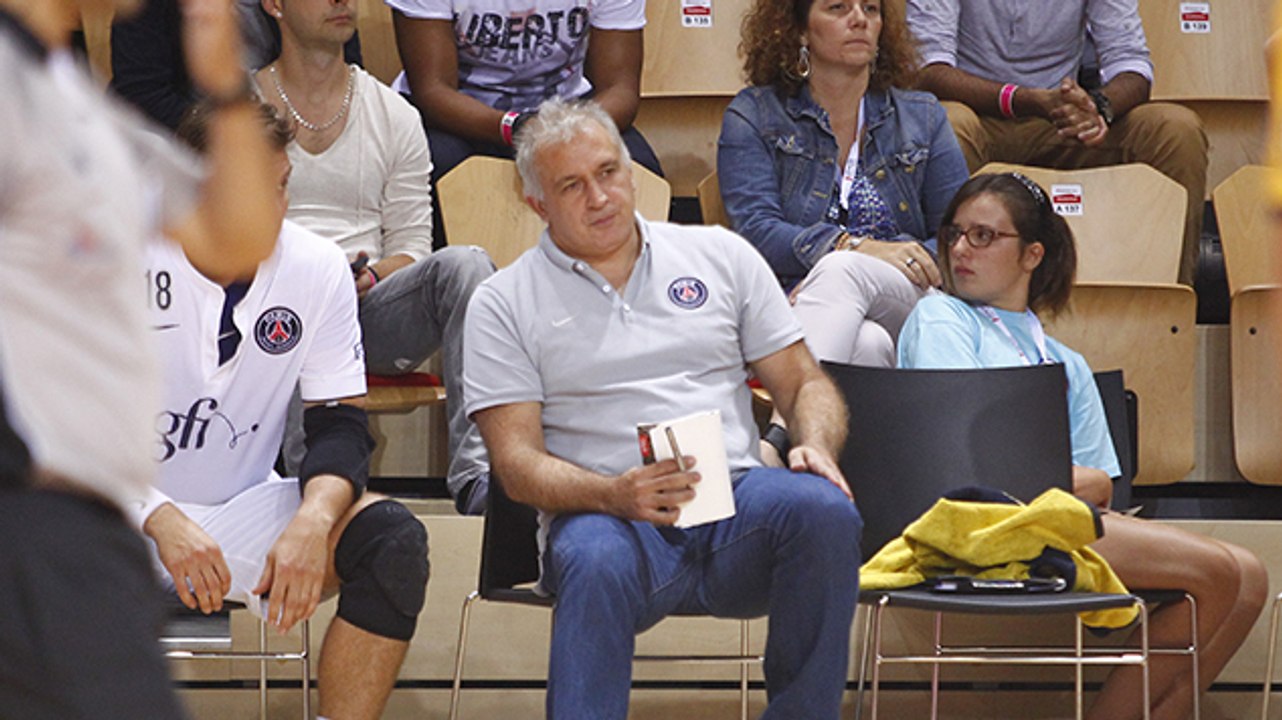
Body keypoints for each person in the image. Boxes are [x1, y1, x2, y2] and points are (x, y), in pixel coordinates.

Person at [462, 97, 862, 719]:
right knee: (591, 557)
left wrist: (813, 441)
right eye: (572, 186)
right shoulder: (503, 302)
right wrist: (613, 495)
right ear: (537, 203)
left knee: (824, 510)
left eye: (608, 172)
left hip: (734, 501)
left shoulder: (719, 256)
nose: (600, 197)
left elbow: (805, 381)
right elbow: (514, 463)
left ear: (630, 172)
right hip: (607, 516)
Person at [898, 172, 1268, 720]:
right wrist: (1075, 482)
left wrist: (1075, 483)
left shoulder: (1065, 360)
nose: (958, 249)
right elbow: (965, 463)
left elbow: (1102, 491)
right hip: (976, 522)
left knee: (1252, 579)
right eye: (954, 233)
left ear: (1032, 255)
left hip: (1056, 524)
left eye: (982, 236)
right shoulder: (940, 316)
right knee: (1219, 574)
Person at [0, 0, 280, 717]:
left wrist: (223, 88)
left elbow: (233, 237)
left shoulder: (71, 92)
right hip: (31, 511)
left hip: (84, 522)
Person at [136, 101, 429, 720]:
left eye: (282, 186)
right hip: (110, 514)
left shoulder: (316, 267)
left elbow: (339, 425)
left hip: (238, 513)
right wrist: (157, 517)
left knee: (390, 539)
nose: (274, 210)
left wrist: (315, 519)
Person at [256, 0, 495, 513]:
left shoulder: (394, 112)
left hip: (371, 308)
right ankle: (311, 491)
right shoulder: (241, 111)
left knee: (468, 265)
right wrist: (315, 275)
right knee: (303, 285)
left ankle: (479, 480)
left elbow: (412, 247)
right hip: (270, 314)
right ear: (273, 4)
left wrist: (365, 278)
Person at [718, 0, 967, 369]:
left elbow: (957, 233)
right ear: (799, 29)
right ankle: (819, 428)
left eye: (870, 9)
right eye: (838, 8)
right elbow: (757, 231)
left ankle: (785, 427)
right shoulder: (755, 115)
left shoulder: (923, 116)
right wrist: (850, 248)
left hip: (909, 295)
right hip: (798, 302)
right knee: (867, 344)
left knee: (840, 271)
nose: (859, 20)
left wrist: (863, 259)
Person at [906, 0, 1209, 286]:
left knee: (1176, 130)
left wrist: (1098, 108)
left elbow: (1131, 65)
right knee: (948, 123)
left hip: (1062, 122)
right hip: (981, 120)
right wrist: (1025, 100)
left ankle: (1171, 305)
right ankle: (950, 302)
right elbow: (930, 72)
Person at [388, 0, 662, 247]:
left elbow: (621, 89)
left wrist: (570, 132)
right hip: (459, 118)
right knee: (435, 169)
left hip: (568, 113)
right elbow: (432, 91)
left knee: (640, 168)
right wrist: (518, 128)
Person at [110, 0, 360, 130]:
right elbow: (141, 94)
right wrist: (238, 132)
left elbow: (342, 58)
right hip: (189, 131)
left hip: (294, 121)